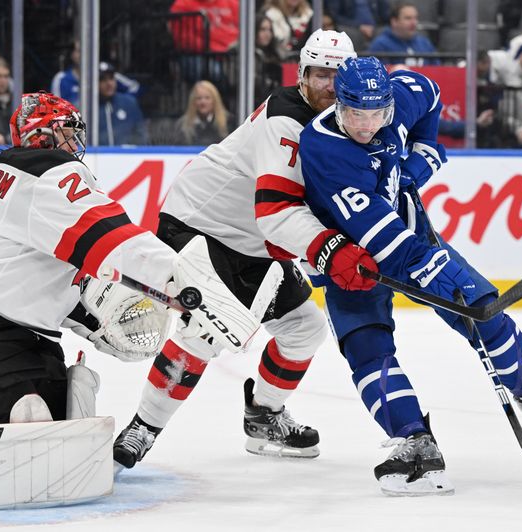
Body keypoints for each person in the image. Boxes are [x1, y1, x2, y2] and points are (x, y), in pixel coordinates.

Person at [0, 91, 263, 516]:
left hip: (0, 332)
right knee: (32, 428)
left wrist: (101, 323)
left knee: (71, 437)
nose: (74, 143)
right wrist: (184, 286)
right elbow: (111, 235)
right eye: (67, 131)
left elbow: (42, 274)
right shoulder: (45, 170)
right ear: (42, 135)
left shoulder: (13, 179)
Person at [298, 56, 522, 496]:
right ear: (338, 105)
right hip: (353, 259)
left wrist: (425, 151)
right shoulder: (323, 147)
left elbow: (430, 92)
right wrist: (427, 264)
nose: (368, 125)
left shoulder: (397, 100)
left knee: (484, 310)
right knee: (368, 350)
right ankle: (412, 436)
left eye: (377, 114)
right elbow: (378, 233)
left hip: (412, 232)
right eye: (357, 114)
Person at [111, 29, 377, 471]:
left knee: (305, 329)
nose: (328, 85)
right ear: (302, 75)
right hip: (200, 224)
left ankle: (264, 416)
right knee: (207, 332)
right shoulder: (287, 120)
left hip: (253, 240)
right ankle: (144, 426)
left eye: (337, 76)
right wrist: (326, 251)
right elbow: (276, 214)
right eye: (319, 74)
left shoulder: (347, 123)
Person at [368, 1, 438, 66]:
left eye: (415, 18)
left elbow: (437, 69)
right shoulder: (380, 45)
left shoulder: (424, 43)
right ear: (394, 21)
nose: (414, 23)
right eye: (408, 18)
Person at [98, 62, 148, 145]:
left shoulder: (129, 103)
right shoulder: (86, 106)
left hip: (126, 156)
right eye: (103, 80)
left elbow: (141, 135)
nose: (109, 83)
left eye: (111, 78)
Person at [174, 80, 232, 145]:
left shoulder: (228, 122)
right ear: (193, 102)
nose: (203, 102)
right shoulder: (182, 125)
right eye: (199, 98)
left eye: (207, 98)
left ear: (214, 100)